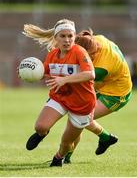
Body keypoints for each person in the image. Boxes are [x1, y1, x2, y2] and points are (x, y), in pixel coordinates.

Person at [22, 19, 97, 167]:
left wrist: (65, 80)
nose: (67, 40)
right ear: (55, 38)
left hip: (82, 104)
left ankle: (58, 157)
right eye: (62, 36)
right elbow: (43, 72)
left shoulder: (79, 52)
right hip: (60, 98)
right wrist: (27, 72)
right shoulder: (52, 55)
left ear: (74, 37)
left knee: (66, 143)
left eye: (70, 36)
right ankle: (42, 134)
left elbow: (90, 74)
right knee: (40, 127)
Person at [63, 29, 133, 163]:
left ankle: (105, 137)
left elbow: (80, 79)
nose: (90, 58)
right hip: (102, 86)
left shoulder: (103, 67)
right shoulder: (94, 39)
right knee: (76, 120)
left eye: (92, 56)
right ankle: (68, 156)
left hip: (117, 94)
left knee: (79, 117)